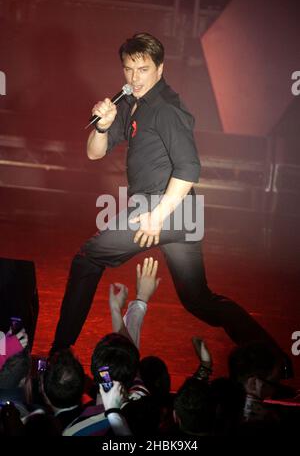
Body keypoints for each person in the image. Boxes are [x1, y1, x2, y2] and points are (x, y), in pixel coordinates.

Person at [51, 33, 290, 375]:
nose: (134, 77)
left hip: (161, 208)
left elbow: (190, 168)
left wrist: (156, 217)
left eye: (143, 69)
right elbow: (94, 152)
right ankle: (275, 362)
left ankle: (59, 355)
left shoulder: (166, 108)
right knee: (199, 299)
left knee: (87, 259)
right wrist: (102, 127)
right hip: (184, 215)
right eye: (129, 69)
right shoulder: (132, 101)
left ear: (160, 68)